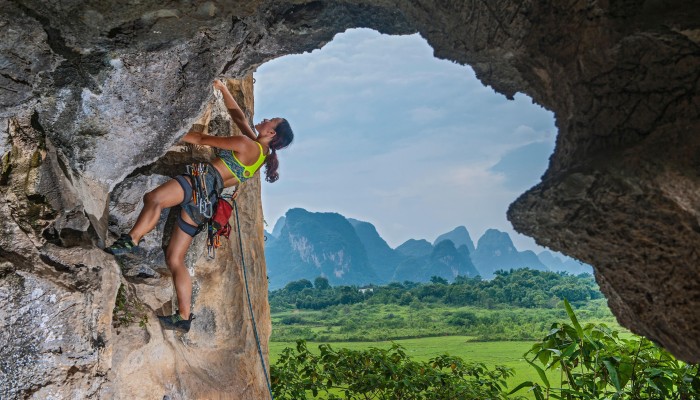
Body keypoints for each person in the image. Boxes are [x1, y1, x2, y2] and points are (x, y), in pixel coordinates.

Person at [105, 79, 294, 333]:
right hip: (207, 202)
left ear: (272, 133)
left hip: (199, 182)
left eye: (270, 121)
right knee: (175, 258)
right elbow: (240, 118)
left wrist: (169, 134)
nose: (265, 120)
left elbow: (204, 138)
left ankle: (132, 239)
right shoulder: (260, 155)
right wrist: (224, 89)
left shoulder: (247, 144)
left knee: (154, 199)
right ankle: (183, 317)